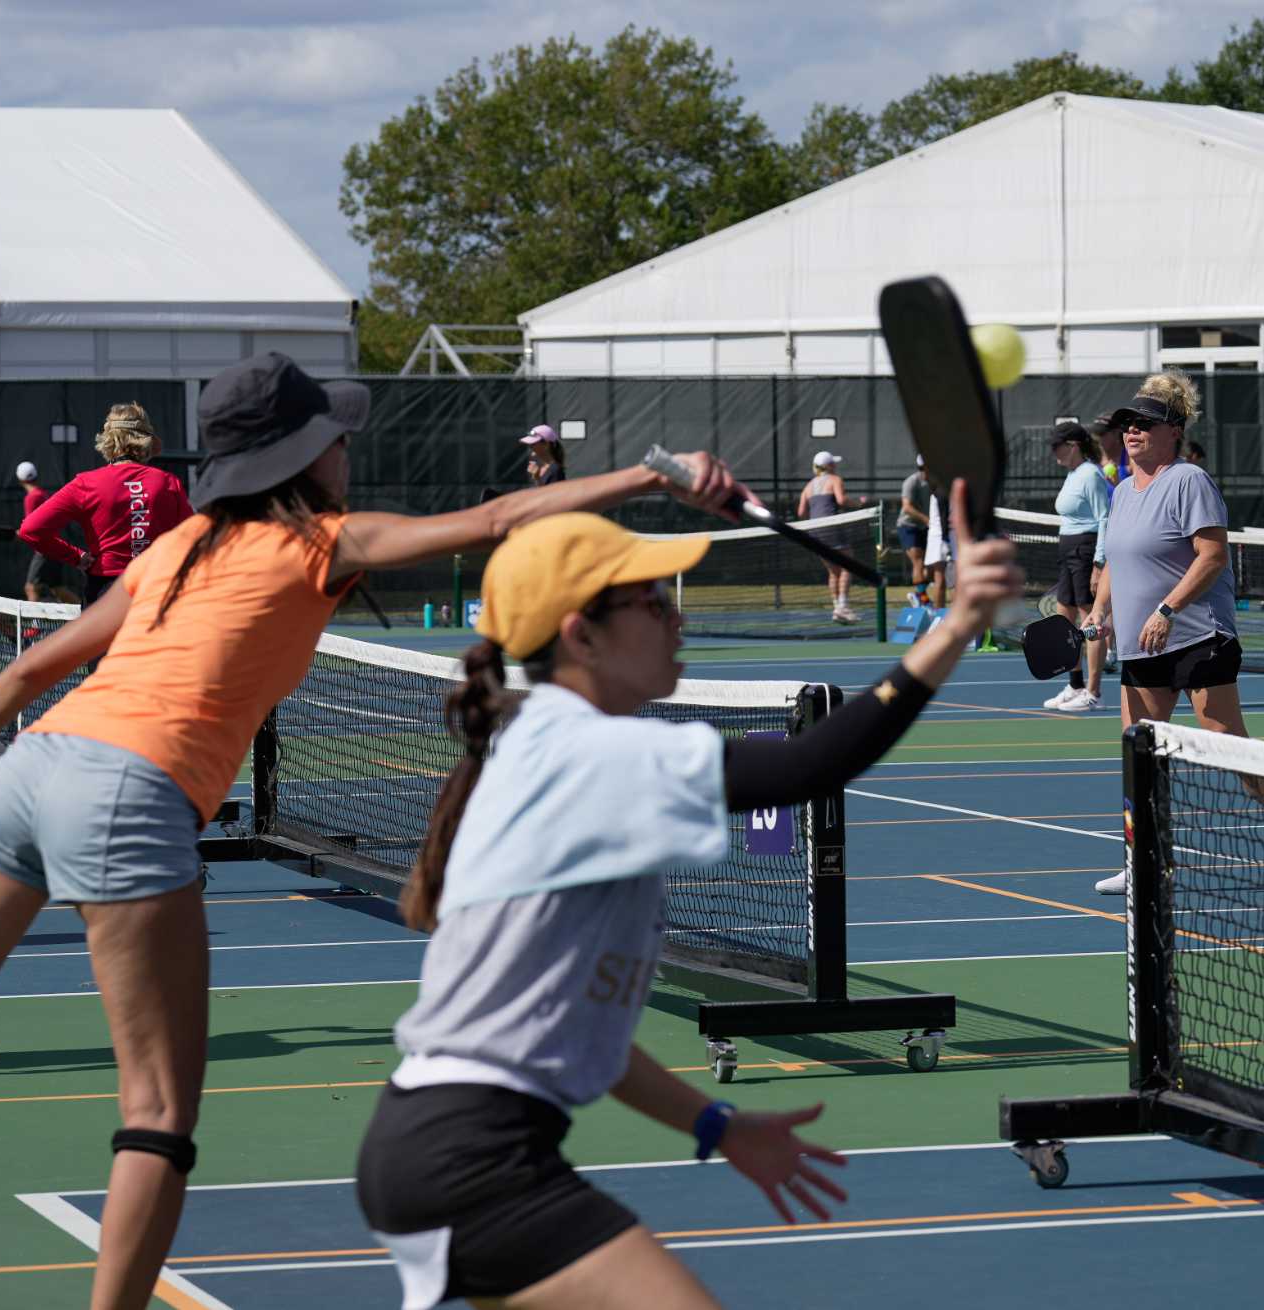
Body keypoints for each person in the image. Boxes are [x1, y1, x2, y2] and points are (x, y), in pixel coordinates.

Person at [0, 353, 741, 1310]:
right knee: (158, 1119)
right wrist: (655, 474)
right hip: (126, 791)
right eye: (335, 435)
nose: (347, 447)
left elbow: (26, 671)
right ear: (304, 456)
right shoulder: (322, 542)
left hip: (31, 768)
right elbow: (501, 521)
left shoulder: (181, 544)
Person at [353, 485, 1020, 1309]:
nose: (675, 617)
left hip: (440, 1147)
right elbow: (809, 768)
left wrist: (718, 1126)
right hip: (473, 1156)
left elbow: (578, 1036)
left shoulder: (543, 750)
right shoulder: (586, 753)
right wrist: (955, 625)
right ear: (581, 635)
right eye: (649, 602)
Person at [1083, 371, 1264, 896]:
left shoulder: (1189, 480)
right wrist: (1098, 613)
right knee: (1138, 755)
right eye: (1128, 424)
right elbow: (1114, 566)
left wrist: (1167, 610)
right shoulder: (1123, 492)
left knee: (1225, 745)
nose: (1133, 432)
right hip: (1138, 644)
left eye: (1145, 424)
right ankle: (1141, 859)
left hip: (1197, 636)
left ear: (1173, 429)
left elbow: (1212, 557)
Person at [17, 403, 193, 603]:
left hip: (105, 593)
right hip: (157, 591)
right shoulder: (168, 482)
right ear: (146, 442)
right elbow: (195, 536)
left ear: (108, 440)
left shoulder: (86, 483)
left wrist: (76, 557)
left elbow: (30, 530)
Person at [1043, 422, 1112, 712]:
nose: (1054, 453)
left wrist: (1098, 564)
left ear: (1073, 445)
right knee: (1064, 619)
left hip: (1085, 551)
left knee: (1090, 620)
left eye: (1057, 447)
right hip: (1067, 550)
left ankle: (1093, 693)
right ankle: (1075, 684)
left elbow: (1105, 518)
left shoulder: (1091, 475)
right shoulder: (1073, 475)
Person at [796, 451, 867, 625]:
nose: (836, 466)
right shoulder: (835, 480)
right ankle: (843, 607)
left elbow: (801, 513)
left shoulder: (808, 487)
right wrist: (859, 503)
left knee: (833, 572)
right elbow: (842, 500)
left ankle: (837, 608)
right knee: (847, 567)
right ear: (829, 466)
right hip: (832, 528)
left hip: (815, 532)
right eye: (833, 464)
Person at [15, 462, 78, 605]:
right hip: (55, 545)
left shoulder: (31, 497)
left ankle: (34, 627)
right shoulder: (43, 494)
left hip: (45, 549)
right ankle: (87, 613)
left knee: (31, 588)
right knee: (58, 589)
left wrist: (17, 534)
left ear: (20, 480)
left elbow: (32, 529)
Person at [897, 456, 933, 604]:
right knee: (918, 562)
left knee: (928, 566)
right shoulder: (911, 482)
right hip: (908, 527)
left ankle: (918, 595)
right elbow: (907, 507)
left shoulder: (934, 483)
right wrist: (926, 519)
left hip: (926, 528)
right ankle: (923, 599)